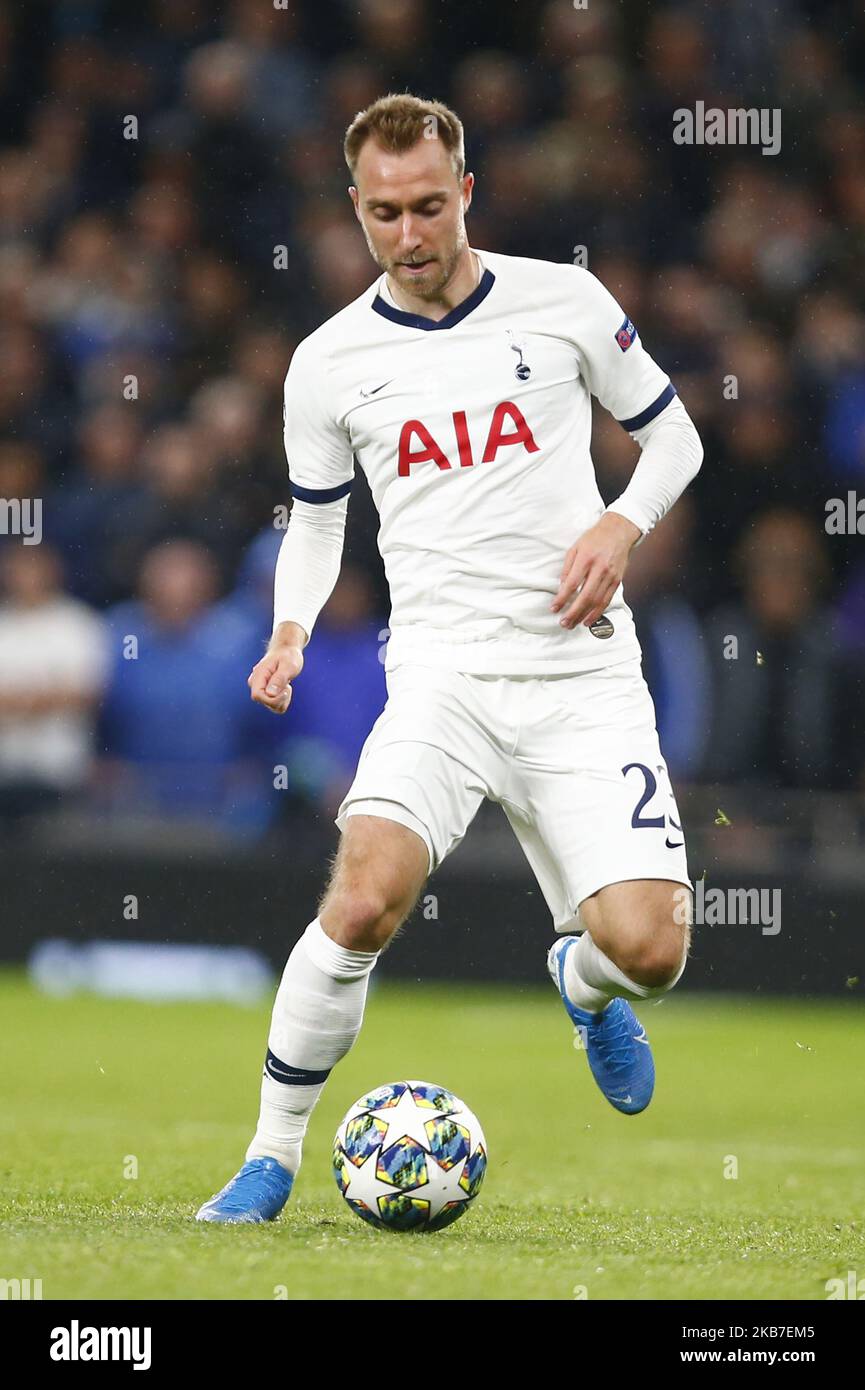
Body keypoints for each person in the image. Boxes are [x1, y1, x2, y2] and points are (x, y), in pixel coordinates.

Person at [197, 93, 703, 1224]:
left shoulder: (561, 302)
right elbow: (319, 521)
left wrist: (620, 525)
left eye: (430, 205)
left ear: (465, 191)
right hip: (441, 679)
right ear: (357, 212)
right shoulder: (329, 363)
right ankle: (270, 1158)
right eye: (385, 215)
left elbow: (677, 434)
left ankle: (579, 979)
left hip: (580, 677)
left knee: (651, 951)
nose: (411, 235)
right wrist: (288, 625)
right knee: (365, 896)